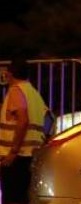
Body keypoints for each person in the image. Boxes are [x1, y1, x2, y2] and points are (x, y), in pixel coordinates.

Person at [1, 58, 50, 204]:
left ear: (9, 74)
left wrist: (13, 152)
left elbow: (23, 120)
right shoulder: (33, 93)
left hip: (16, 155)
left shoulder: (16, 91)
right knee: (22, 196)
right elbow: (48, 121)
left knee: (12, 197)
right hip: (30, 153)